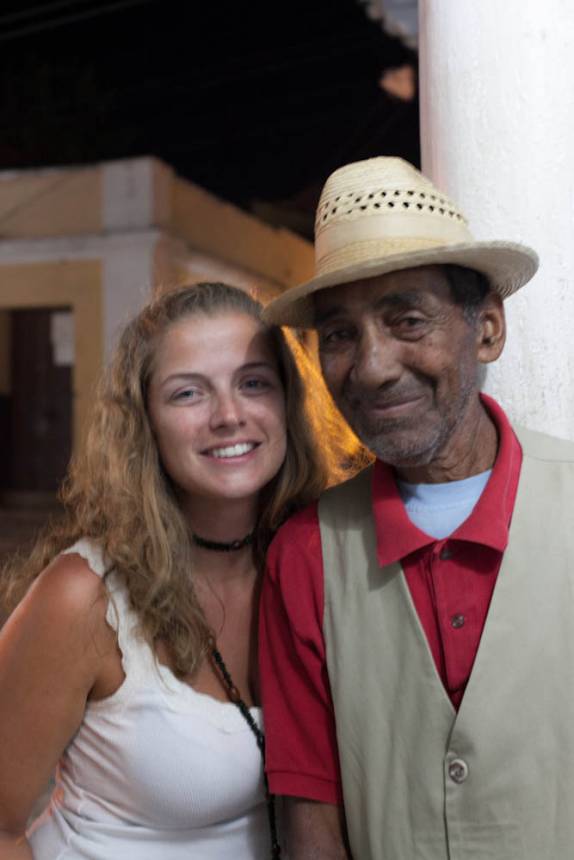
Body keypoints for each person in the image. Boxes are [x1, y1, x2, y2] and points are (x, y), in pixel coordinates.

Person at [258, 156, 574, 859]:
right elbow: (312, 823)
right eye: (340, 335)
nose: (371, 367)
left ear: (487, 329)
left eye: (406, 320)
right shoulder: (307, 554)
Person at [0, 281, 357, 860]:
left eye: (253, 383)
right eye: (188, 393)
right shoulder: (86, 597)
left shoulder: (323, 563)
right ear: (146, 423)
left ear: (288, 403)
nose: (229, 415)